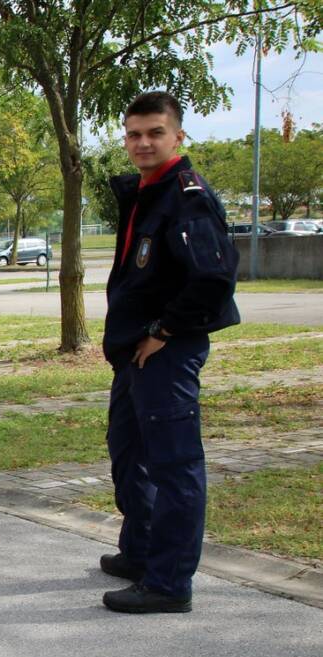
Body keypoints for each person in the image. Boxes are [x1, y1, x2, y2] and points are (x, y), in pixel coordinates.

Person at [100, 91, 239, 613]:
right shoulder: (146, 192)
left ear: (178, 136)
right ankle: (141, 553)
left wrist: (164, 329)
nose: (143, 142)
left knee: (174, 466)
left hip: (166, 352)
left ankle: (168, 583)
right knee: (128, 454)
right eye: (134, 134)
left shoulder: (188, 196)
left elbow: (215, 277)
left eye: (155, 133)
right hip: (135, 351)